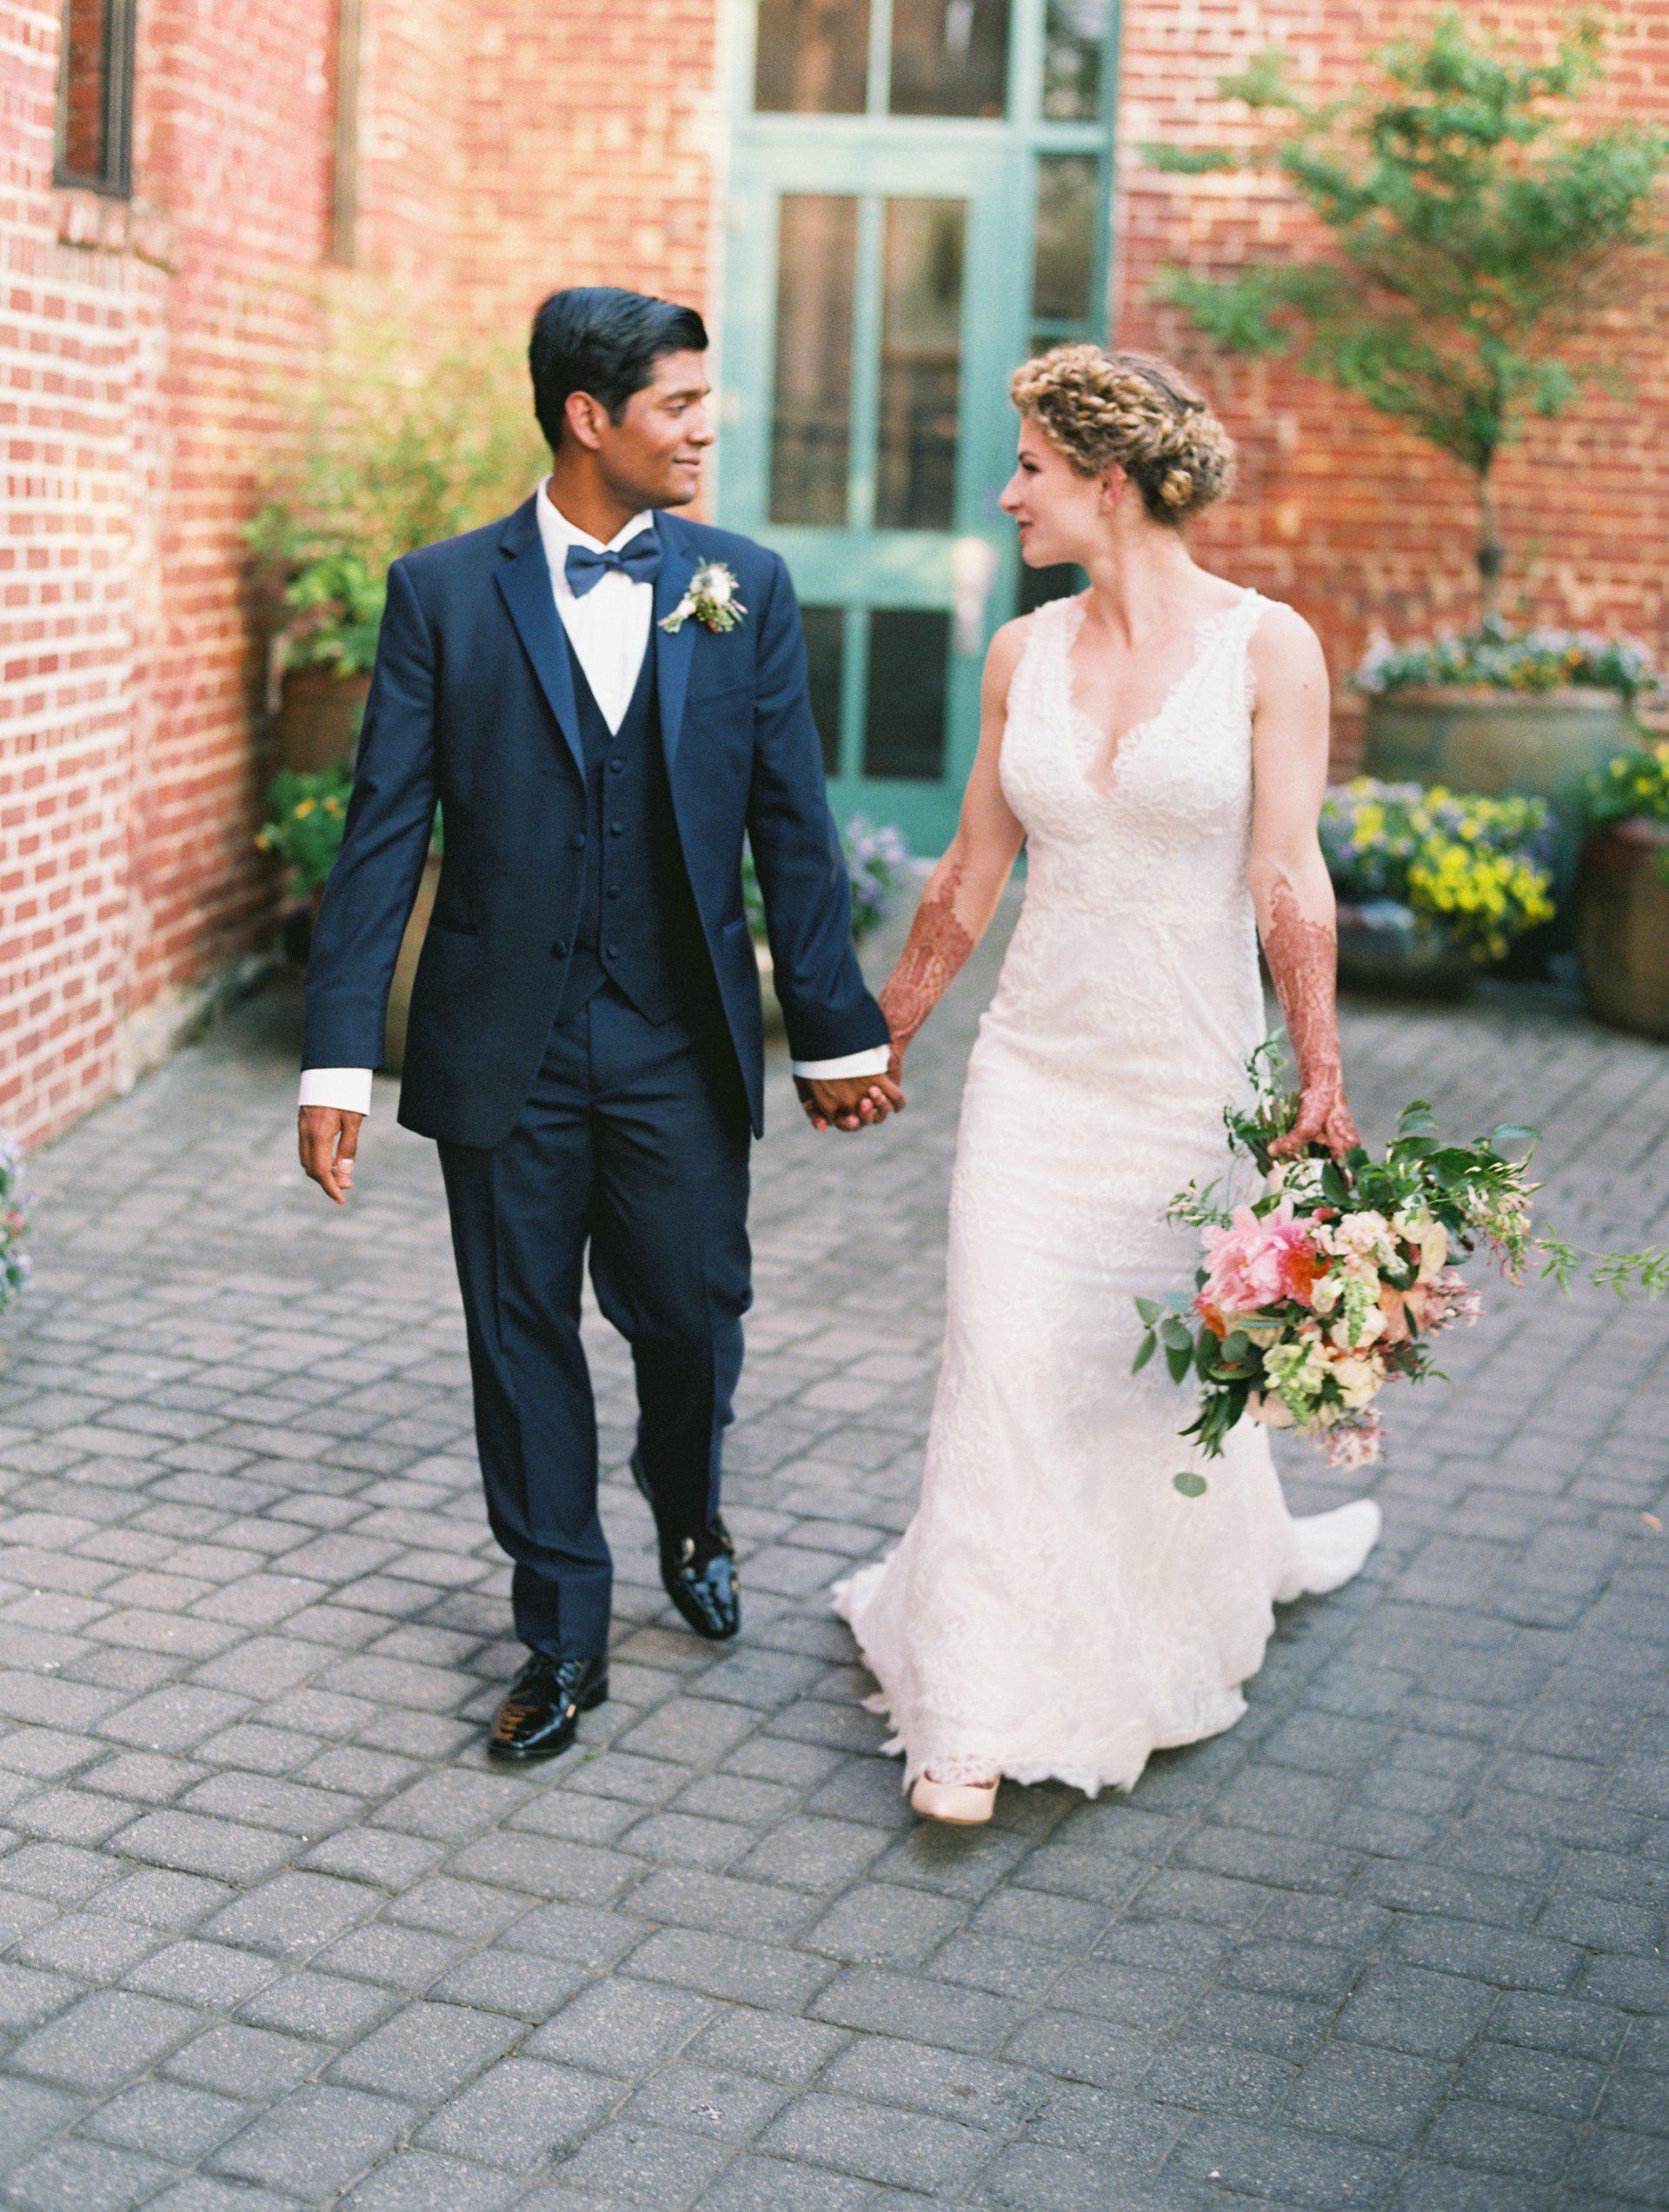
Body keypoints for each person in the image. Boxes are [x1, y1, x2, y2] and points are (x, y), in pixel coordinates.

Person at [298, 286, 899, 1764]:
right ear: (590, 419)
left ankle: (686, 1498)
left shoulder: (739, 584)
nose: (710, 427)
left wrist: (834, 1034)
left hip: (676, 1033)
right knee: (519, 1342)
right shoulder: (442, 592)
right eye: (682, 405)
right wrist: (335, 1060)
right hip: (499, 1041)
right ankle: (561, 1630)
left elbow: (794, 831)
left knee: (692, 1312)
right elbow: (382, 837)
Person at [833, 344, 1381, 1824]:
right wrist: (883, 1032)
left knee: (1139, 1390)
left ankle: (1179, 1599)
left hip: (1188, 1081)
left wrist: (1319, 1066)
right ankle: (969, 1705)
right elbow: (969, 872)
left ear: (1112, 481)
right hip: (1036, 1073)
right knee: (1003, 1360)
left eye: (1032, 469)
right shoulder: (1022, 653)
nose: (1009, 494)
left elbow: (1288, 874)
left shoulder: (1273, 650)